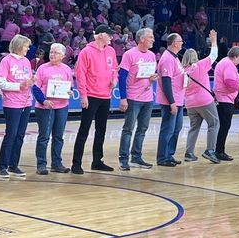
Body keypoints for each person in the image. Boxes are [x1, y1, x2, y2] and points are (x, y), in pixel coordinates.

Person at [72, 24, 118, 173]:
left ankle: (97, 161)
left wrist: (114, 80)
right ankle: (76, 163)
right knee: (84, 130)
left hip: (106, 95)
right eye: (108, 34)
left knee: (101, 130)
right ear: (99, 35)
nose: (111, 37)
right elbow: (80, 75)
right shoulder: (86, 52)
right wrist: (83, 95)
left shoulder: (111, 51)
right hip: (91, 96)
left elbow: (114, 70)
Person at [117, 27, 159, 171]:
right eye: (151, 37)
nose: (153, 39)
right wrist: (123, 98)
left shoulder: (152, 55)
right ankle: (123, 159)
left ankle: (136, 157)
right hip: (133, 97)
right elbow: (122, 77)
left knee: (142, 128)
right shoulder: (129, 54)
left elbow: (151, 75)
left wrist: (153, 78)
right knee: (128, 129)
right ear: (142, 39)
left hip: (148, 98)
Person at [32, 43, 74, 175]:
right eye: (51, 52)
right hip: (45, 107)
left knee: (58, 136)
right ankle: (41, 164)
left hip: (62, 106)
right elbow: (35, 88)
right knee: (44, 136)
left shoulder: (66, 69)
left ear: (62, 55)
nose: (52, 54)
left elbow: (69, 86)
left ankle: (56, 163)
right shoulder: (42, 68)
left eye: (55, 53)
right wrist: (43, 100)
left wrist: (70, 92)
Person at [0, 34, 34, 178]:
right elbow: (2, 83)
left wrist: (31, 81)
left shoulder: (26, 61)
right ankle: (2, 166)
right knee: (11, 134)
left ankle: (14, 165)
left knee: (20, 135)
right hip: (12, 102)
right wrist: (20, 85)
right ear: (19, 46)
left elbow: (27, 81)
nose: (28, 48)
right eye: (26, 46)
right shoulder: (6, 60)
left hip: (26, 101)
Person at [183, 31, 221, 163]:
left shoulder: (183, 71)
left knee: (194, 127)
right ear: (196, 56)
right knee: (214, 123)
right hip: (204, 100)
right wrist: (214, 41)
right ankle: (210, 150)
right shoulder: (199, 65)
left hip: (190, 103)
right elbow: (214, 55)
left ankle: (189, 152)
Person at [156, 32, 186, 167]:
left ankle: (170, 154)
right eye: (180, 41)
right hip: (171, 101)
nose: (182, 43)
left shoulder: (175, 58)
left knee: (176, 128)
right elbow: (166, 81)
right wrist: (171, 102)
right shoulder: (167, 58)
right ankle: (162, 157)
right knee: (167, 129)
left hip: (178, 100)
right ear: (174, 43)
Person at [213, 47, 239, 161]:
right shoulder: (229, 64)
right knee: (224, 126)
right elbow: (230, 82)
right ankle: (219, 151)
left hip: (223, 98)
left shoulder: (224, 62)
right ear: (235, 56)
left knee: (223, 126)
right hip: (224, 99)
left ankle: (219, 150)